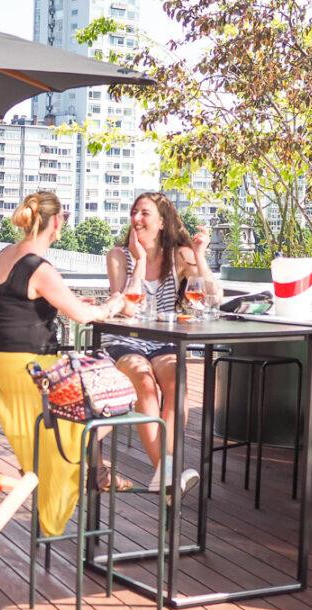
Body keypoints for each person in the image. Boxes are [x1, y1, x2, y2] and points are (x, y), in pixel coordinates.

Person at [0, 191, 126, 538]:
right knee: (116, 392)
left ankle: (93, 465)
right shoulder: (39, 267)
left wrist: (73, 303)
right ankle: (89, 466)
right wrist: (114, 304)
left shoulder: (5, 254)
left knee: (85, 401)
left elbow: (10, 308)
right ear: (57, 222)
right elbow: (81, 317)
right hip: (32, 370)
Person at [104, 191, 216, 493]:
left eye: (144, 213)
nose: (136, 219)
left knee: (176, 382)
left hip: (163, 340)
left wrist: (200, 256)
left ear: (162, 222)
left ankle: (166, 475)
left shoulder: (178, 255)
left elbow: (214, 296)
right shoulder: (119, 255)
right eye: (134, 212)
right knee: (144, 382)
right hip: (125, 339)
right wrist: (139, 260)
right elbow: (125, 305)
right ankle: (166, 473)